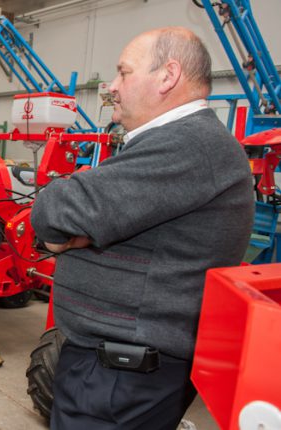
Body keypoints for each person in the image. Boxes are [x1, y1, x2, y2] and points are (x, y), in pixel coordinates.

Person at [30, 27, 254, 429]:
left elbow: (54, 211)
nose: (112, 87)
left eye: (123, 73)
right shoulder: (174, 143)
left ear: (168, 76)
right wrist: (81, 225)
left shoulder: (191, 144)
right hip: (116, 371)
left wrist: (71, 217)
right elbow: (78, 216)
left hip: (121, 381)